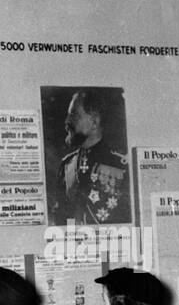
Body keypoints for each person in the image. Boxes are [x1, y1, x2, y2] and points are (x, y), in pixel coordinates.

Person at [54, 90, 131, 225]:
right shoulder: (66, 164)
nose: (67, 121)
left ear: (94, 123)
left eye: (74, 115)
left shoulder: (120, 165)